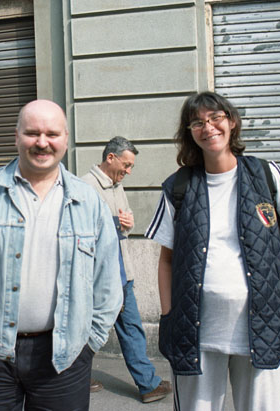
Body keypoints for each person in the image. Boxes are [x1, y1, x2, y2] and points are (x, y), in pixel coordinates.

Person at [0, 99, 123, 411]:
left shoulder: (89, 202)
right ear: (17, 136)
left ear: (65, 139)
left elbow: (108, 282)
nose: (42, 142)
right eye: (32, 133)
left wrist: (89, 344)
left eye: (52, 134)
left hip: (65, 359)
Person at [145, 92, 280, 411]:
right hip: (195, 335)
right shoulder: (178, 187)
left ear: (231, 121)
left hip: (264, 329)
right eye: (197, 122)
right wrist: (168, 315)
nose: (208, 127)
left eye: (215, 118)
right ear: (190, 133)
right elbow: (166, 261)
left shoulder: (268, 176)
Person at [81, 137, 172, 403]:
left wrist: (128, 224)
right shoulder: (84, 187)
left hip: (121, 271)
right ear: (110, 157)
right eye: (127, 164)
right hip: (102, 275)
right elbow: (82, 231)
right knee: (114, 327)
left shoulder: (116, 185)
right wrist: (114, 224)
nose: (129, 171)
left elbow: (123, 224)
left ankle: (145, 383)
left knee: (120, 327)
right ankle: (147, 384)